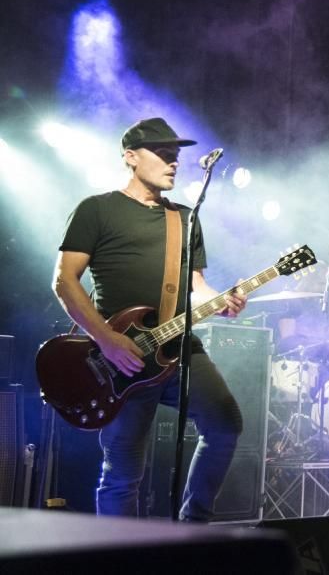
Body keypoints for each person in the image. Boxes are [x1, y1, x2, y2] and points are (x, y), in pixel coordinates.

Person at [51, 117, 247, 520]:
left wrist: (221, 300)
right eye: (163, 154)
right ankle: (120, 557)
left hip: (179, 348)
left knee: (226, 424)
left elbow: (196, 285)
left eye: (175, 156)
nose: (173, 163)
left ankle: (193, 527)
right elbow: (64, 282)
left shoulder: (185, 219)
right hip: (120, 359)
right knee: (123, 473)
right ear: (130, 157)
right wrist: (106, 339)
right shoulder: (97, 210)